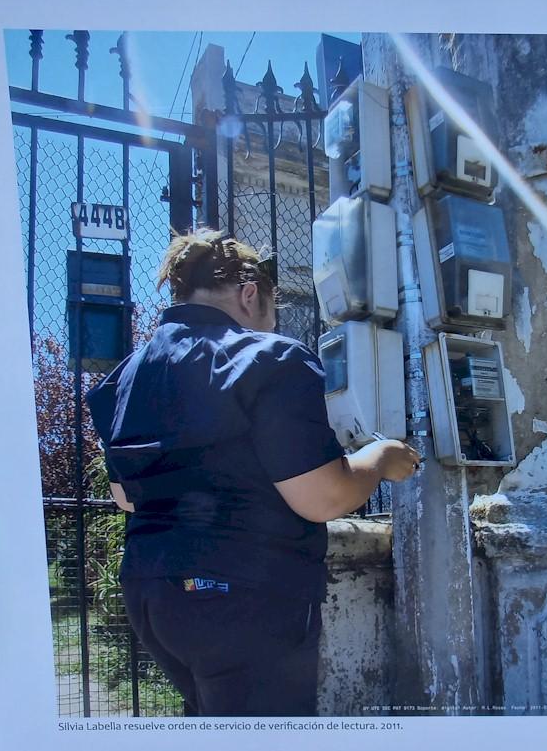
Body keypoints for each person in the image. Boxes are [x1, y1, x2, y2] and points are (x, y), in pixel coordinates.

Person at [86, 231, 421, 716]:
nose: (268, 324)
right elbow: (322, 497)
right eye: (268, 311)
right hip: (239, 597)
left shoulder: (128, 374)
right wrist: (380, 457)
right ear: (249, 294)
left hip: (151, 595)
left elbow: (125, 495)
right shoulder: (271, 359)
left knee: (216, 743)